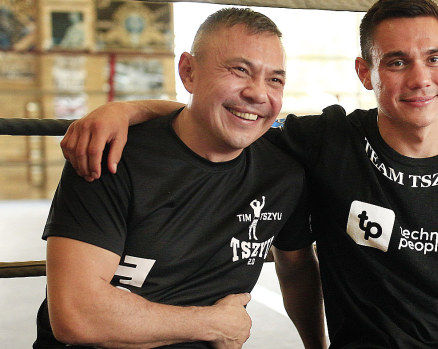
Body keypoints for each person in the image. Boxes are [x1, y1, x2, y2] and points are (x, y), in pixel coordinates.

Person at [60, 0, 438, 348]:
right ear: (365, 74)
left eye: (433, 58)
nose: (420, 79)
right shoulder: (326, 142)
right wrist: (128, 111)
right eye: (395, 62)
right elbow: (223, 118)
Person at [35, 8, 326, 349]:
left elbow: (296, 268)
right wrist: (214, 324)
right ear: (188, 72)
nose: (259, 93)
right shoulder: (113, 155)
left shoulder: (282, 173)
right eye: (239, 70)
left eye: (275, 79)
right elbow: (78, 315)